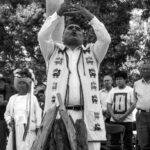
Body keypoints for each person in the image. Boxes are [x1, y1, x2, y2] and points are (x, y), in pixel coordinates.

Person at [38, 1, 111, 149]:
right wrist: (58, 14)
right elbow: (42, 36)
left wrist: (88, 16)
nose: (73, 29)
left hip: (87, 116)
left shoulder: (93, 53)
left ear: (83, 37)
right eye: (69, 28)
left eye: (78, 29)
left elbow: (105, 39)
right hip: (58, 116)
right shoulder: (52, 52)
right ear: (63, 35)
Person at [4, 68, 42, 150]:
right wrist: (9, 121)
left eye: (23, 83)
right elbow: (7, 114)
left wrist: (38, 128)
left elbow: (38, 113)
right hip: (15, 130)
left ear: (27, 85)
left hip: (29, 131)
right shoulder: (12, 98)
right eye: (20, 83)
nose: (21, 85)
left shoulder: (32, 98)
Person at [107, 71, 135, 150]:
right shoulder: (112, 90)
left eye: (120, 79)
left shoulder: (131, 90)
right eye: (116, 79)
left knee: (128, 142)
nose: (118, 81)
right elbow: (109, 104)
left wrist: (124, 116)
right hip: (114, 120)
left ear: (125, 79)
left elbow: (133, 105)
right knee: (114, 142)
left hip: (127, 121)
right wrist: (113, 115)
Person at [133, 60, 150, 150]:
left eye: (147, 69)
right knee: (143, 144)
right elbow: (135, 99)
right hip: (141, 116)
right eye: (143, 69)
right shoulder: (136, 84)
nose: (145, 71)